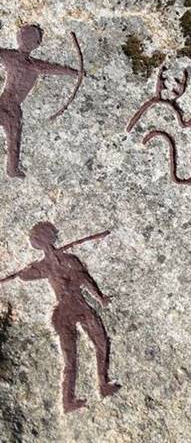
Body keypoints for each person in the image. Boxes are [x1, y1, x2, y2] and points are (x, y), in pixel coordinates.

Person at [1, 222, 120, 412]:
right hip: (64, 313)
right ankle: (68, 400)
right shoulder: (45, 266)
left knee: (101, 342)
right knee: (70, 357)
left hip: (80, 307)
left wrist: (100, 298)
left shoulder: (68, 260)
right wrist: (25, 270)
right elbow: (25, 276)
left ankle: (103, 384)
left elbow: (85, 279)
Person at [0, 25, 79, 177]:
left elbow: (55, 68)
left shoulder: (16, 58)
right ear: (37, 44)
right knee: (13, 139)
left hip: (8, 106)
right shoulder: (33, 65)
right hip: (10, 107)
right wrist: (75, 72)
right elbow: (56, 69)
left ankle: (12, 169)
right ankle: (12, 169)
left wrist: (74, 72)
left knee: (14, 139)